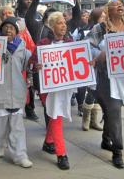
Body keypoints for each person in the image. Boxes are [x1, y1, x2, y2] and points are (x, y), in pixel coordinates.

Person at [87, 0, 124, 169]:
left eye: (122, 4)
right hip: (107, 78)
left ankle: (105, 139)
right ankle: (118, 151)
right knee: (115, 111)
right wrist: (100, 54)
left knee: (112, 112)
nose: (120, 6)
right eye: (115, 4)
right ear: (108, 10)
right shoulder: (99, 29)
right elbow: (89, 47)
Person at [33, 11, 78, 170]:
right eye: (60, 23)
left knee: (54, 116)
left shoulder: (71, 41)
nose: (63, 26)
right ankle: (62, 154)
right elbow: (33, 62)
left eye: (64, 23)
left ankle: (48, 142)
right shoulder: (43, 43)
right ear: (52, 26)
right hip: (48, 88)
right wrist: (36, 65)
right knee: (57, 116)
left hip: (64, 86)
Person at [0, 17, 33, 168]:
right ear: (1, 30)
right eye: (6, 27)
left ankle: (20, 155)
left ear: (16, 31)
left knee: (17, 128)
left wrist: (36, 67)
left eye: (12, 28)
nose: (8, 30)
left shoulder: (24, 50)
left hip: (17, 92)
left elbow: (29, 67)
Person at [0, 6, 38, 121]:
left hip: (20, 71)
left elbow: (31, 51)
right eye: (4, 14)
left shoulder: (24, 32)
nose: (7, 15)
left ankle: (29, 110)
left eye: (9, 13)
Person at [81, 8, 105, 131]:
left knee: (98, 94)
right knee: (91, 92)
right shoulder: (91, 30)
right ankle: (86, 119)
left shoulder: (108, 29)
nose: (104, 19)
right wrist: (98, 55)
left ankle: (94, 120)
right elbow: (85, 46)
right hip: (92, 65)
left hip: (104, 69)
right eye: (101, 17)